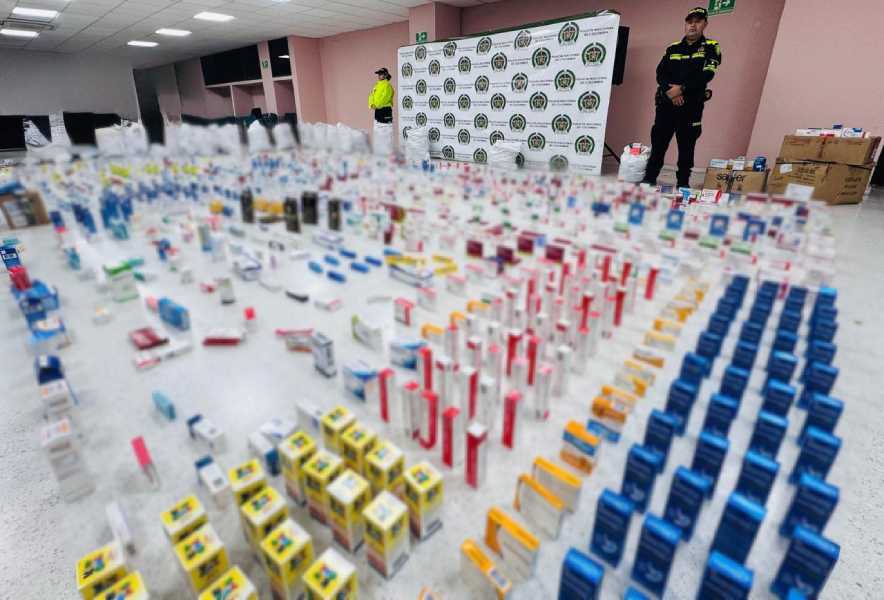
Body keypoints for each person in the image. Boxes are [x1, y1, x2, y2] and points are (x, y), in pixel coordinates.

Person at [642, 7, 722, 189]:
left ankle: (683, 183)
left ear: (705, 24)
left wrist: (682, 89)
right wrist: (670, 91)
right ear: (685, 24)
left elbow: (707, 74)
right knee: (658, 143)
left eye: (698, 21)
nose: (693, 25)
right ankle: (649, 178)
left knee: (687, 147)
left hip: (691, 106)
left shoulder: (711, 46)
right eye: (689, 22)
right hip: (666, 104)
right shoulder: (673, 48)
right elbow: (660, 73)